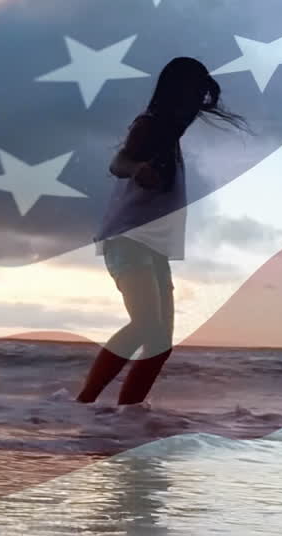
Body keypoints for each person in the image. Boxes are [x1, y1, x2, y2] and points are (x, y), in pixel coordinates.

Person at [76, 56, 247, 404]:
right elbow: (118, 162)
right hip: (128, 238)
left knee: (159, 343)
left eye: (201, 98)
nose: (196, 107)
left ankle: (129, 416)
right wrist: (137, 168)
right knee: (145, 325)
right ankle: (84, 402)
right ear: (174, 94)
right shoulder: (150, 125)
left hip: (151, 245)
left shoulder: (171, 135)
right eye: (192, 96)